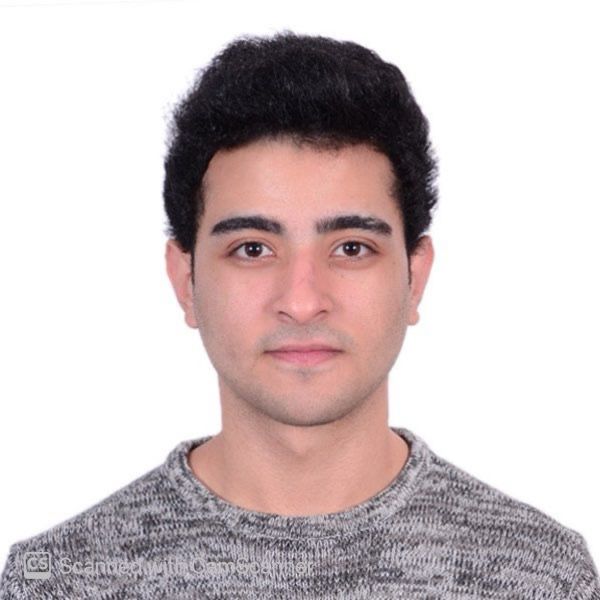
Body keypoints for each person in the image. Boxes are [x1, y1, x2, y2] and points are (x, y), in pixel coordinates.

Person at [1, 31, 598, 600]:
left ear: (415, 276)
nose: (304, 300)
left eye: (352, 248)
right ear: (185, 281)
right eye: (253, 249)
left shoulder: (541, 578)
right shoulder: (58, 580)